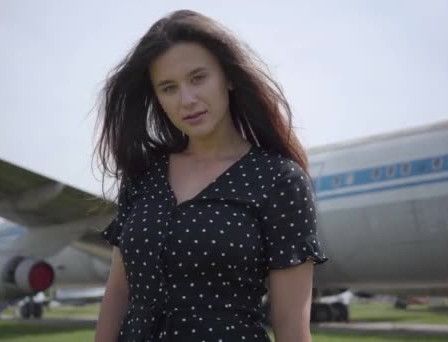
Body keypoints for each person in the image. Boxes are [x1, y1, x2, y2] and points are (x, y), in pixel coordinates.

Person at [94, 9, 327, 342]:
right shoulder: (143, 176)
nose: (187, 99)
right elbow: (119, 292)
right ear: (157, 98)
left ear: (228, 78)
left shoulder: (278, 180)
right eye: (169, 88)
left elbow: (291, 324)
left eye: (198, 78)